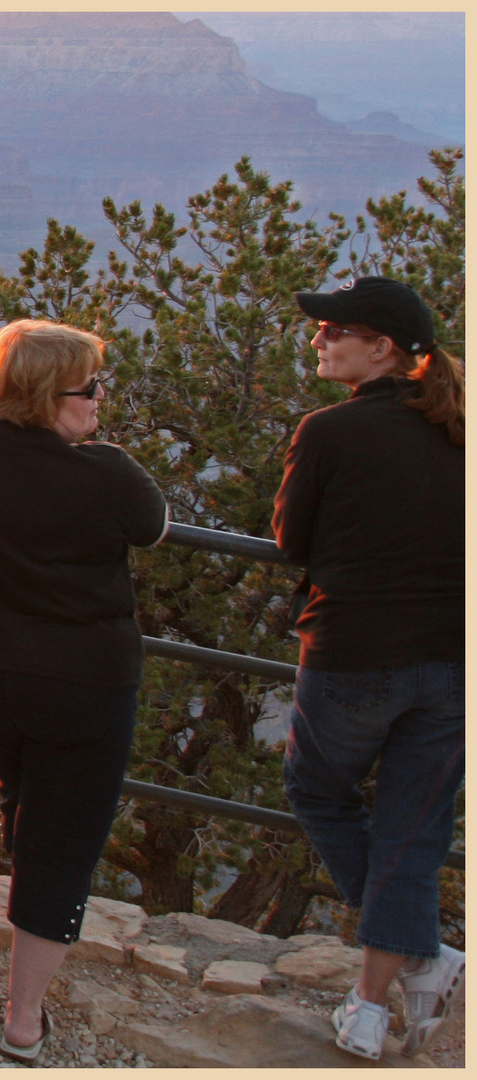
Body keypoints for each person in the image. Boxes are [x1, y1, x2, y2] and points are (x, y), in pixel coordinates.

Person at [0, 320, 166, 1061]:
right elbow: (152, 529)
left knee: (25, 788)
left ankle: (26, 885)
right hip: (79, 683)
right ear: (47, 397)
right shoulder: (107, 472)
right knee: (63, 841)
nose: (99, 399)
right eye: (88, 388)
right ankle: (23, 1020)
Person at [273, 276, 464, 1061]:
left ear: (381, 348)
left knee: (317, 788)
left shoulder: (329, 432)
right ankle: (378, 996)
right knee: (413, 831)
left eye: (331, 331)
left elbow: (290, 540)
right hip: (454, 659)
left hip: (353, 653)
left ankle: (406, 960)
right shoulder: (459, 428)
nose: (317, 341)